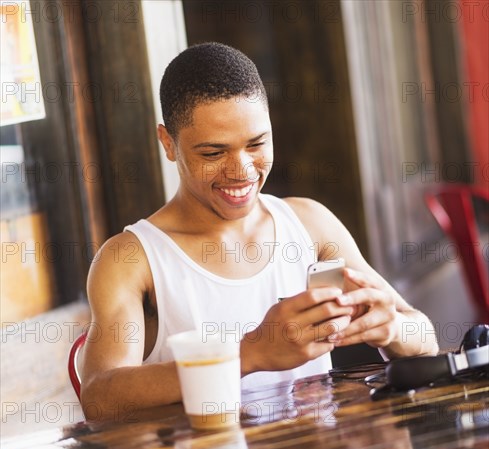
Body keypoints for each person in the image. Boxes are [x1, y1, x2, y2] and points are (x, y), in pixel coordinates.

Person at [80, 43, 438, 420]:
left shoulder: (309, 223)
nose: (242, 171)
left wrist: (392, 328)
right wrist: (249, 354)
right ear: (168, 143)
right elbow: (100, 395)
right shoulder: (132, 258)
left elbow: (425, 339)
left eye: (257, 144)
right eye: (213, 153)